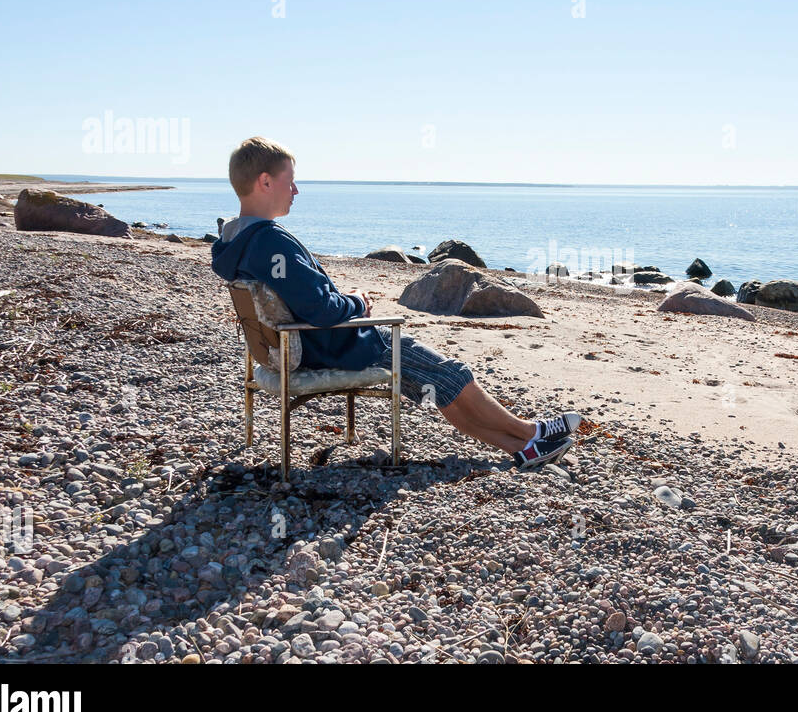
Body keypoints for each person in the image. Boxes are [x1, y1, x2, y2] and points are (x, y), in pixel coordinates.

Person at [210, 136, 580, 469]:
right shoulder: (271, 242)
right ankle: (530, 431)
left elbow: (300, 300)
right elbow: (320, 309)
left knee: (436, 381)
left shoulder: (235, 241)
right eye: (290, 181)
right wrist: (357, 304)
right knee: (450, 372)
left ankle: (522, 446)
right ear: (265, 182)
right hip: (341, 345)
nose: (295, 190)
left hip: (300, 345)